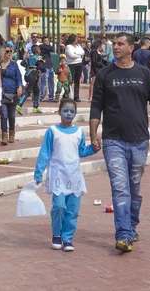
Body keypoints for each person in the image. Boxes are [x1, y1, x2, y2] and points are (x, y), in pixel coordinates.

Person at [90, 32, 150, 252]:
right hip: (113, 141)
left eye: (120, 44)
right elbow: (96, 106)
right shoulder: (105, 74)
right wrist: (93, 133)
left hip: (139, 140)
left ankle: (132, 225)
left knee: (134, 188)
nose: (115, 47)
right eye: (114, 44)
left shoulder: (144, 73)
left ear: (130, 48)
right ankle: (123, 234)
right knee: (120, 188)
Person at [34, 98, 97, 252]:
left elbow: (81, 151)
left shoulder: (79, 132)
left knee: (73, 209)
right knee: (59, 206)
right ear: (59, 112)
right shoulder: (52, 131)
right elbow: (45, 153)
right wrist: (38, 172)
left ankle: (68, 238)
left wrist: (94, 148)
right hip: (58, 175)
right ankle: (57, 234)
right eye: (65, 111)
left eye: (72, 111)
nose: (69, 114)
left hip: (74, 176)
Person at [0, 44, 23, 145]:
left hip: (12, 92)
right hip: (1, 94)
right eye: (7, 51)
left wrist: (19, 86)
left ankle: (12, 133)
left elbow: (19, 76)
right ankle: (4, 135)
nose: (9, 53)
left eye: (10, 51)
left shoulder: (14, 64)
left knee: (11, 115)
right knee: (3, 114)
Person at [16, 45, 45, 115]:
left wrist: (28, 66)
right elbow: (41, 66)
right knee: (28, 90)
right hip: (33, 74)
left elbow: (22, 63)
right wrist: (43, 69)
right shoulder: (39, 57)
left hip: (27, 74)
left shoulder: (29, 57)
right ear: (38, 51)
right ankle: (19, 105)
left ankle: (35, 107)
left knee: (36, 90)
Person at [65, 34, 84, 101]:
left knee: (77, 81)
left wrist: (76, 53)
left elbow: (83, 52)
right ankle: (67, 94)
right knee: (70, 80)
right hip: (71, 65)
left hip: (79, 64)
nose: (77, 40)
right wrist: (79, 55)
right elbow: (71, 55)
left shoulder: (78, 46)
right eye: (76, 38)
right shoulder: (68, 46)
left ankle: (76, 96)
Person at [39, 36, 54, 102]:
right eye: (45, 41)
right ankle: (43, 96)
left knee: (51, 82)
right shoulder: (41, 46)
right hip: (44, 66)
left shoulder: (48, 47)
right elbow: (50, 48)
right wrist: (49, 47)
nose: (47, 42)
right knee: (44, 82)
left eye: (48, 40)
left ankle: (51, 96)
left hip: (50, 66)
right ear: (43, 41)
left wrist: (49, 47)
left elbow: (51, 48)